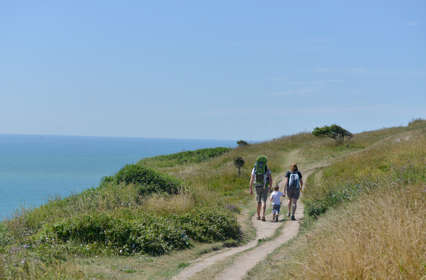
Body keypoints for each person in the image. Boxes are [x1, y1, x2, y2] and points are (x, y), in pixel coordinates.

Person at [249, 155, 273, 221]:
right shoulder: (267, 169)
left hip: (257, 186)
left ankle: (258, 216)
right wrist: (270, 187)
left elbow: (252, 178)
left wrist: (250, 188)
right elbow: (270, 179)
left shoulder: (255, 168)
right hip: (265, 186)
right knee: (264, 201)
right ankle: (263, 216)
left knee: (258, 201)